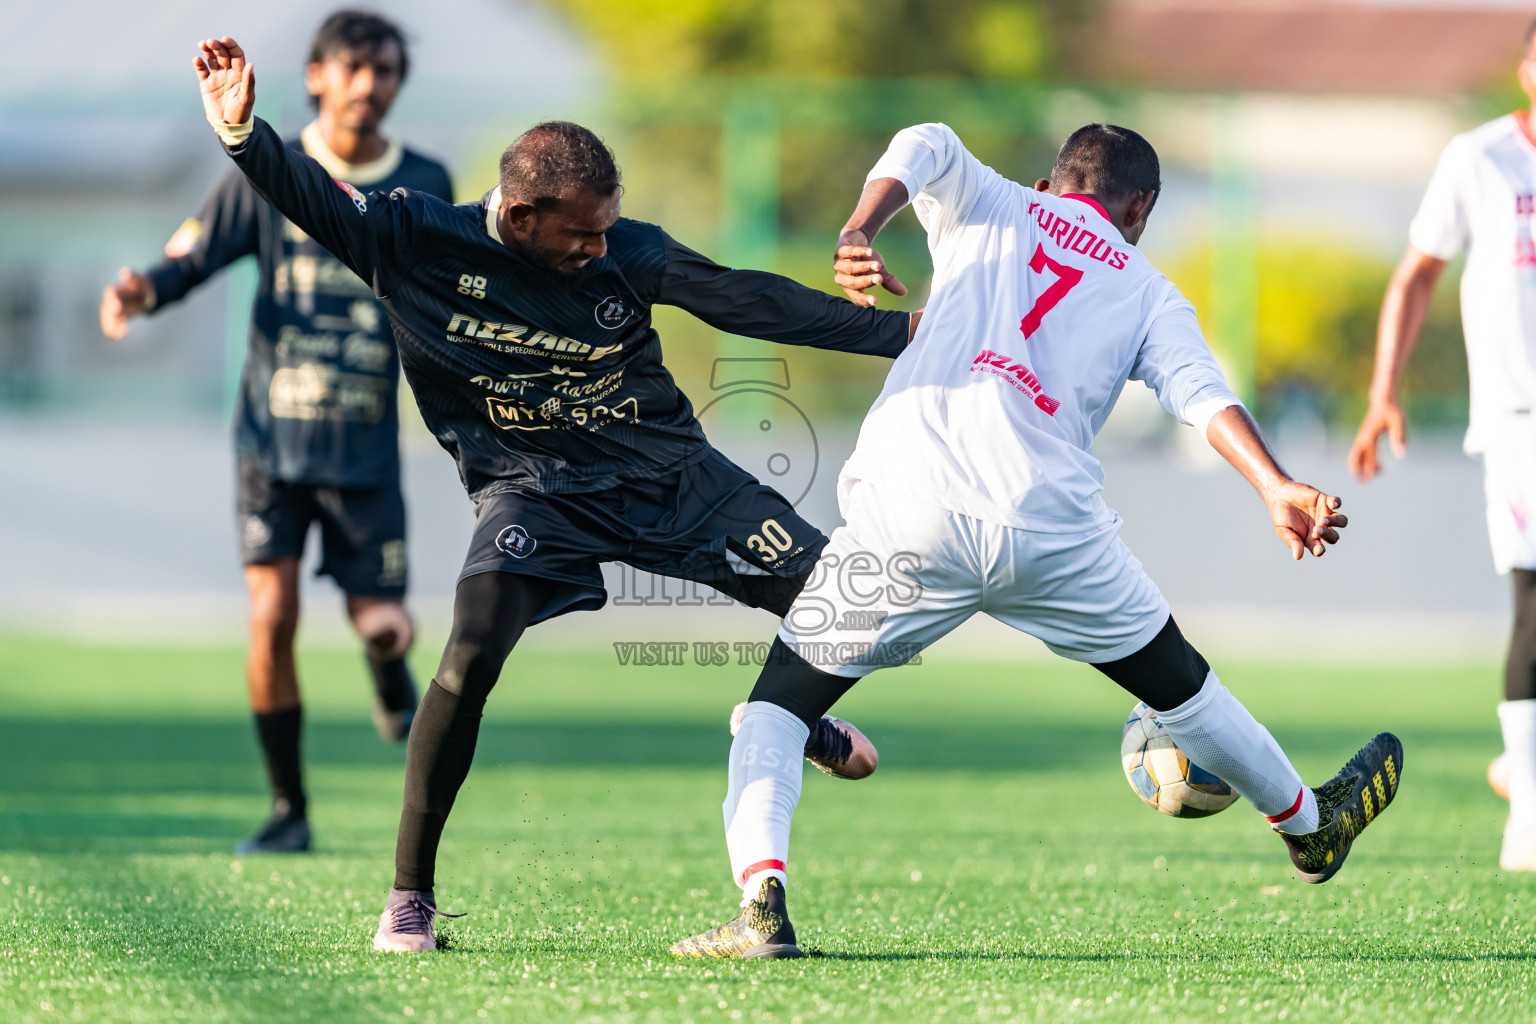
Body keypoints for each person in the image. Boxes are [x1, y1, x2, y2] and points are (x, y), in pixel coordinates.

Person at [189, 36, 898, 953]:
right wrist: (243, 132)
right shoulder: (412, 240)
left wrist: (907, 335)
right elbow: (309, 195)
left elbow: (744, 299)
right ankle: (409, 903)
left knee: (859, 606)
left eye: (610, 227)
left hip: (670, 476)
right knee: (469, 654)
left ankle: (788, 713)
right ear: (520, 216)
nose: (603, 248)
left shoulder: (625, 254)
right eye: (584, 234)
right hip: (534, 495)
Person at [671, 122, 1405, 960]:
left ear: (1056, 181)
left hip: (914, 509)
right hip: (1051, 529)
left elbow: (926, 141)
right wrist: (1275, 485)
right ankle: (1309, 827)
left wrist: (858, 230)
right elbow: (1200, 395)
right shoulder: (1147, 287)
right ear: (1142, 206)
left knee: (773, 711)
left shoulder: (994, 200)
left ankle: (762, 905)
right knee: (1185, 690)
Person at [100, 12, 454, 855]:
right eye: (356, 67)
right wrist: (138, 292)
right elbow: (191, 258)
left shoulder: (427, 179)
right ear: (318, 76)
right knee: (271, 616)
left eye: (387, 71)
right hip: (271, 443)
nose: (372, 85)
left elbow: (459, 278)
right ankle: (288, 808)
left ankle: (381, 664)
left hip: (363, 446)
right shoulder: (267, 165)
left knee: (386, 626)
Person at [1348, 18, 1536, 875]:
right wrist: (1384, 389)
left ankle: (1522, 765)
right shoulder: (1481, 158)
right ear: (1527, 68)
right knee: (1534, 596)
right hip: (1520, 418)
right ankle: (1529, 811)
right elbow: (1418, 271)